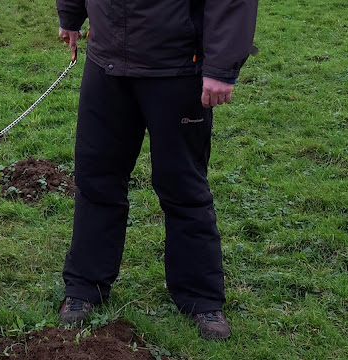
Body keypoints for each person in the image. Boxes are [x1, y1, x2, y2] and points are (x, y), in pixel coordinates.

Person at [55, 0, 259, 340]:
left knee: (183, 186)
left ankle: (201, 298)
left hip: (177, 66)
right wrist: (72, 14)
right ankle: (84, 288)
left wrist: (221, 66)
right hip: (106, 63)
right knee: (96, 179)